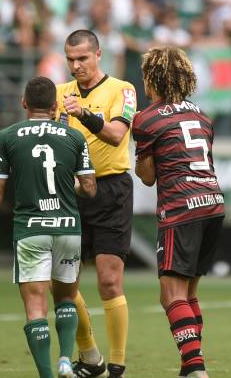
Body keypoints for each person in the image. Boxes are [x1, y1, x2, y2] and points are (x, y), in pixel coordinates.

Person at [0, 76, 98, 378]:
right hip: (68, 228)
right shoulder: (74, 137)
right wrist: (73, 187)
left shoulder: (7, 137)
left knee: (35, 307)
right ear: (55, 106)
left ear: (24, 103)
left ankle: (47, 375)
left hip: (31, 229)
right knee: (66, 299)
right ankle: (66, 359)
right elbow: (90, 188)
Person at [132, 46, 224, 378]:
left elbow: (147, 176)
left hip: (180, 207)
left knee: (171, 294)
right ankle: (189, 368)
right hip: (213, 203)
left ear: (150, 78)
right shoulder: (202, 115)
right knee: (188, 293)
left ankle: (197, 369)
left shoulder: (146, 119)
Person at [56, 29, 138, 378]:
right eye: (70, 59)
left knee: (108, 281)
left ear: (98, 54)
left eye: (82, 58)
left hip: (110, 191)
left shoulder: (123, 89)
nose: (76, 66)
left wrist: (84, 114)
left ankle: (117, 367)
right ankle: (91, 357)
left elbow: (118, 134)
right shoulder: (59, 94)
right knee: (63, 283)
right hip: (69, 193)